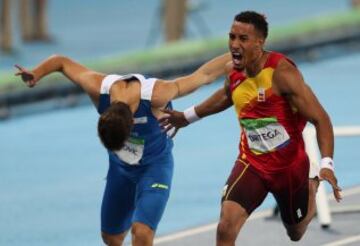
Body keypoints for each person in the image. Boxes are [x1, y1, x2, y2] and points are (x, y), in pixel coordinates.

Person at [160, 11, 342, 244]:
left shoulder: (282, 74)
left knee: (295, 233)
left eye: (243, 39)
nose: (235, 45)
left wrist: (327, 164)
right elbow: (227, 95)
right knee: (226, 226)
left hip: (288, 167)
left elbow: (321, 119)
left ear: (260, 42)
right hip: (252, 162)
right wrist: (187, 117)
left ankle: (310, 188)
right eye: (232, 37)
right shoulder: (234, 72)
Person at [14, 52, 230, 246]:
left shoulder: (157, 94)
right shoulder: (98, 88)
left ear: (131, 127)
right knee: (111, 238)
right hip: (120, 170)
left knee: (142, 233)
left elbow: (204, 74)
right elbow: (61, 62)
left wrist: (241, 54)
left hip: (155, 167)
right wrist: (36, 73)